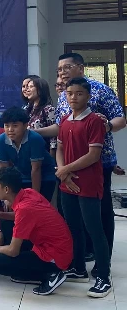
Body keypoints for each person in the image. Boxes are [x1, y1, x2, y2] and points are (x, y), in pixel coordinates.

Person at [37, 53, 126, 267]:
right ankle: (81, 255)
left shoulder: (100, 90)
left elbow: (120, 118)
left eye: (66, 68)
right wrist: (34, 132)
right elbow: (60, 128)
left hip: (99, 160)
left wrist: (105, 127)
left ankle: (102, 256)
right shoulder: (63, 96)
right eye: (59, 70)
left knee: (99, 212)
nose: (62, 72)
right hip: (68, 161)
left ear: (80, 68)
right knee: (74, 214)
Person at [57, 77, 111, 298]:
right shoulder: (64, 120)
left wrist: (65, 170)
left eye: (79, 93)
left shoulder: (94, 121)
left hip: (87, 183)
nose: (73, 97)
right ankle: (78, 268)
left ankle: (103, 277)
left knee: (94, 229)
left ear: (88, 96)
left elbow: (93, 155)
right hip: (67, 183)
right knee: (72, 227)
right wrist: (63, 173)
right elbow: (59, 148)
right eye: (70, 93)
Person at [0, 167, 72, 296]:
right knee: (6, 224)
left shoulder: (24, 209)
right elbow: (20, 217)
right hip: (55, 246)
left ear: (6, 189)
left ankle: (51, 274)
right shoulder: (28, 192)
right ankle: (27, 272)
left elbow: (13, 251)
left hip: (56, 256)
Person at [0, 107, 56, 201]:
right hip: (21, 176)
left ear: (25, 125)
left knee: (37, 205)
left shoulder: (35, 139)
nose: (10, 129)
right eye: (6, 126)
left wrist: (35, 196)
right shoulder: (0, 140)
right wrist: (8, 197)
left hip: (45, 176)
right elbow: (5, 171)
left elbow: (36, 169)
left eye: (15, 126)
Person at [23, 77, 56, 155]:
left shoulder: (49, 109)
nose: (27, 89)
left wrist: (52, 159)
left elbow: (53, 139)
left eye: (31, 87)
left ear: (40, 90)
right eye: (27, 87)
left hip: (43, 153)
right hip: (28, 152)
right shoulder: (27, 109)